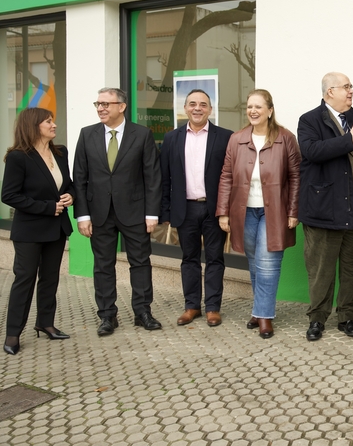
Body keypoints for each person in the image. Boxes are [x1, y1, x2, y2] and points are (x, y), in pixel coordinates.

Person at [297, 72, 353, 341]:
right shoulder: (310, 120)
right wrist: (349, 140)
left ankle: (347, 317)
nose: (351, 91)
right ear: (329, 92)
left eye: (351, 86)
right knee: (321, 268)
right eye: (345, 87)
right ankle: (317, 319)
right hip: (324, 208)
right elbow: (312, 151)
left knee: (352, 265)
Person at [73, 88, 162, 337]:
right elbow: (79, 178)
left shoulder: (142, 134)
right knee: (103, 265)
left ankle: (142, 312)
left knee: (140, 263)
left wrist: (152, 213)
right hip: (99, 213)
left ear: (121, 107)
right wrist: (82, 215)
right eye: (98, 104)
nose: (100, 108)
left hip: (135, 211)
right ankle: (107, 316)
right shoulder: (87, 134)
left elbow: (152, 176)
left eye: (106, 104)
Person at [216, 89, 300, 339]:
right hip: (243, 212)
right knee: (254, 262)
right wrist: (223, 212)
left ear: (270, 111)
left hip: (274, 212)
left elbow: (296, 177)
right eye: (249, 106)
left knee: (267, 263)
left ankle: (264, 316)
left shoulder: (285, 138)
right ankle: (258, 309)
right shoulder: (237, 139)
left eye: (258, 107)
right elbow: (226, 176)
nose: (253, 111)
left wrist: (294, 211)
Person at [2, 108, 74, 355]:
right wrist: (47, 207)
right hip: (29, 231)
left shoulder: (60, 152)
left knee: (50, 278)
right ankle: (13, 333)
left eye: (53, 120)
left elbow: (68, 184)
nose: (54, 125)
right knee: (25, 280)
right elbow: (9, 195)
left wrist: (71, 195)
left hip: (57, 229)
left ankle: (45, 323)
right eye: (48, 121)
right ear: (33, 126)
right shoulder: (18, 157)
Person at [160, 89, 233, 327]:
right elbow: (165, 178)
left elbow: (231, 176)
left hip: (214, 209)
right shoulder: (172, 138)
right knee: (189, 259)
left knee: (215, 259)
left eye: (203, 104)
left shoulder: (225, 137)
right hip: (185, 209)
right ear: (185, 108)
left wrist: (227, 210)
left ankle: (213, 307)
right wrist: (166, 211)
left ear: (210, 109)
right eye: (192, 104)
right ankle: (191, 306)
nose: (197, 108)